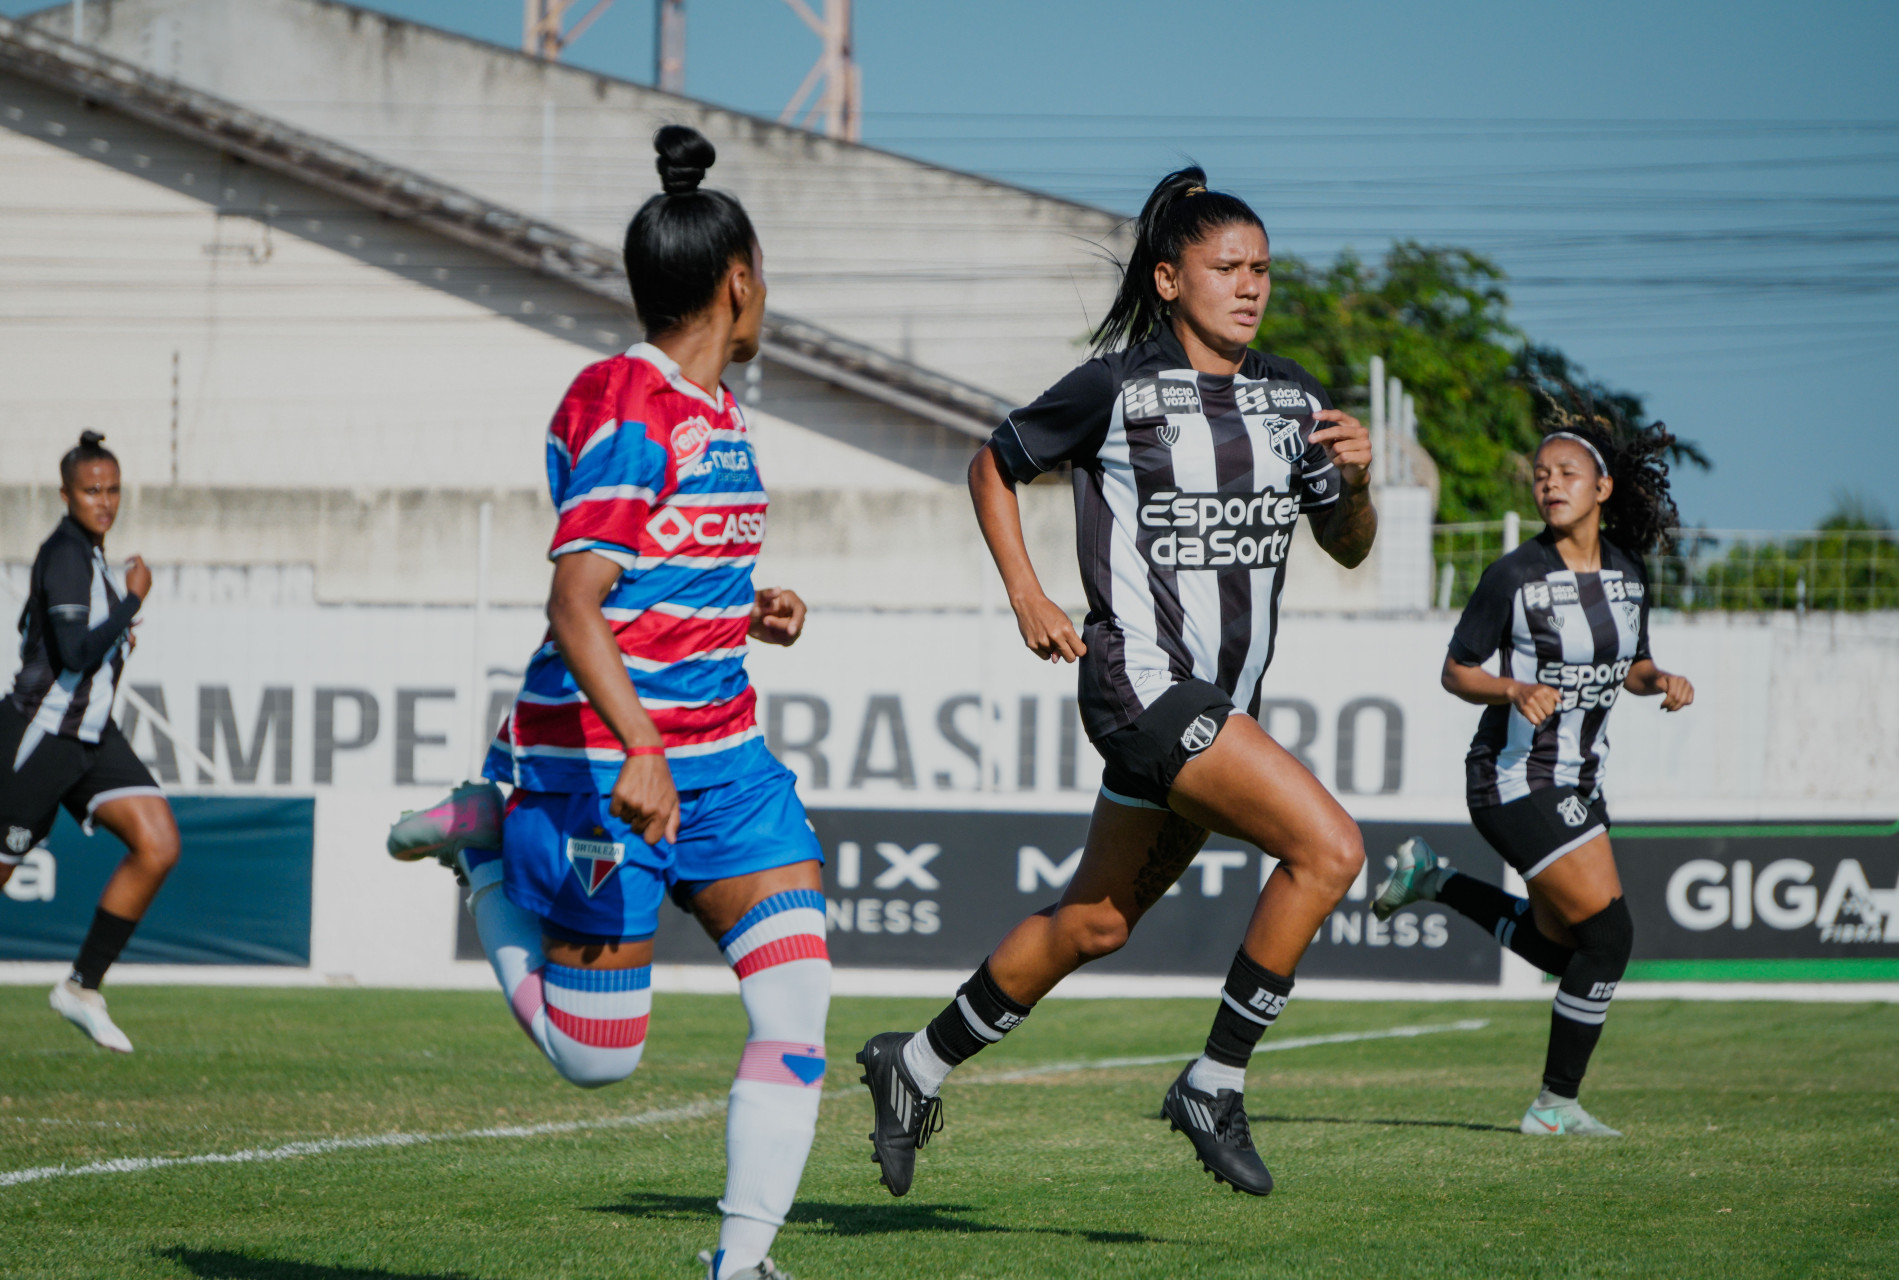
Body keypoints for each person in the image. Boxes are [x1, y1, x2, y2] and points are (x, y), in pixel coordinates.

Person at [855, 165, 1378, 1198]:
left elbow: (1350, 547)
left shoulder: (1294, 399)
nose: (1250, 284)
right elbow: (992, 463)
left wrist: (1359, 486)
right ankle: (1215, 1080)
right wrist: (1028, 595)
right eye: (1227, 266)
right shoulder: (1118, 387)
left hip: (1216, 709)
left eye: (1263, 268)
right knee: (1331, 848)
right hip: (1141, 687)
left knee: (1093, 922)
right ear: (1170, 279)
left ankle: (910, 1065)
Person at [389, 127, 823, 1280]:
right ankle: (483, 843)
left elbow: (649, 585)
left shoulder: (717, 409)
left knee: (797, 995)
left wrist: (747, 610)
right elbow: (576, 600)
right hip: (599, 765)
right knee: (596, 1059)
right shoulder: (626, 403)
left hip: (721, 761)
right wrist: (640, 743)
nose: (766, 292)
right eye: (764, 274)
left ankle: (740, 1262)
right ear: (738, 280)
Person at [1371, 408, 1694, 1137]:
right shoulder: (1513, 575)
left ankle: (1434, 880)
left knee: (1563, 949)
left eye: (1567, 474)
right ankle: (1554, 1105)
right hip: (1513, 777)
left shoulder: (1629, 573)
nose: (1551, 485)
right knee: (1609, 939)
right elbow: (1456, 672)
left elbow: (1633, 664)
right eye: (1542, 476)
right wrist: (1511, 689)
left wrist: (1660, 679)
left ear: (1603, 487)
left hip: (1581, 779)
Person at [1, 431, 180, 1054]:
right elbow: (75, 651)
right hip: (40, 737)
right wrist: (132, 601)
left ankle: (81, 988)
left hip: (91, 740)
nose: (104, 501)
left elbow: (86, 656)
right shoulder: (67, 554)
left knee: (157, 842)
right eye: (91, 490)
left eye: (112, 490)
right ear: (66, 494)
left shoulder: (95, 558)